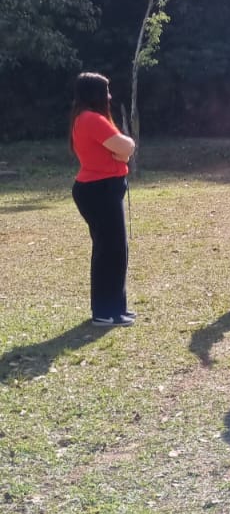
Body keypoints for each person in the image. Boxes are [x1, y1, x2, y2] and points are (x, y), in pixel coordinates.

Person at [70, 72, 135, 327]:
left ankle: (115, 309)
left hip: (102, 188)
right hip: (99, 190)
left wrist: (122, 154)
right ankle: (104, 312)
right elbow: (126, 147)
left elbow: (121, 151)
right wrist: (124, 152)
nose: (109, 96)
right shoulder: (91, 119)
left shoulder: (88, 118)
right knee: (110, 250)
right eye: (106, 91)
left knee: (114, 249)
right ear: (94, 93)